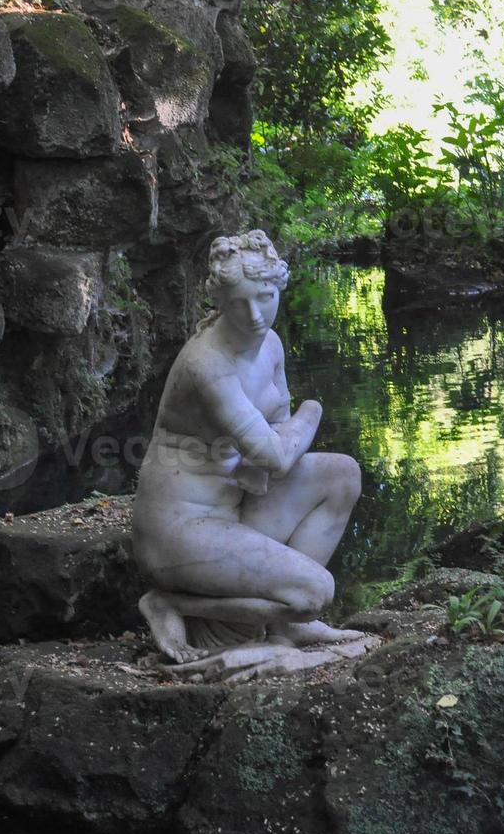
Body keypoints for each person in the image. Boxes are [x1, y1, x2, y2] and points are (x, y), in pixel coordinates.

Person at [131, 231, 368, 664]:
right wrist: (312, 411)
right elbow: (276, 453)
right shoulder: (208, 364)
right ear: (220, 302)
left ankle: (285, 624)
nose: (255, 314)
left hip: (235, 503)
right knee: (317, 591)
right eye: (239, 303)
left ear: (277, 287)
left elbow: (277, 438)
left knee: (341, 475)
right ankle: (170, 604)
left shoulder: (271, 346)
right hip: (181, 529)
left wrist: (281, 441)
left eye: (263, 297)